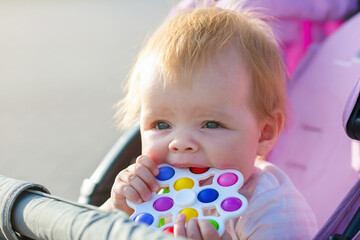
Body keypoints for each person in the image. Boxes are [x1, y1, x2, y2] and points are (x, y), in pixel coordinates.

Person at [101, 6, 317, 239]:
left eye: (211, 124)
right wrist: (117, 209)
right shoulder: (149, 192)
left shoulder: (273, 210)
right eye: (162, 125)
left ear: (264, 133)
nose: (180, 143)